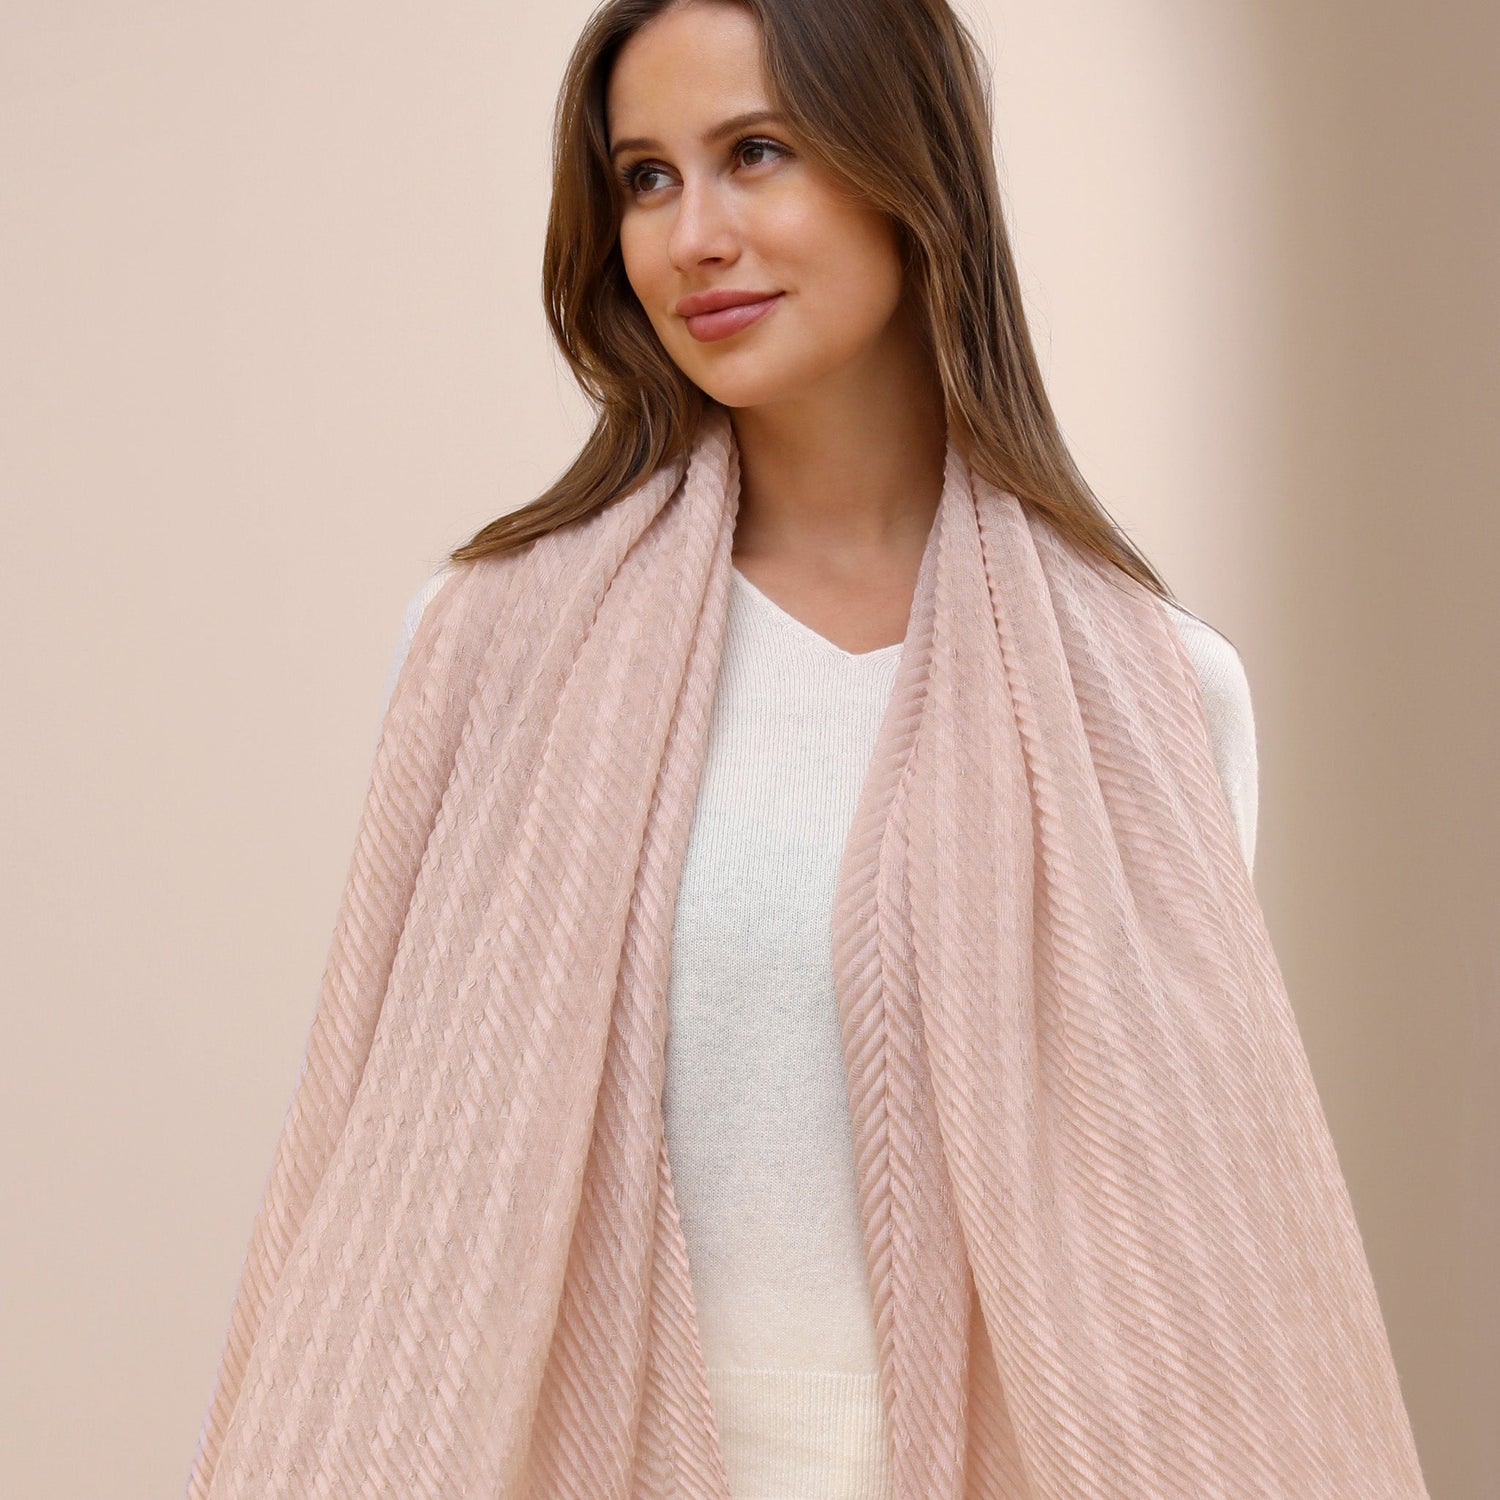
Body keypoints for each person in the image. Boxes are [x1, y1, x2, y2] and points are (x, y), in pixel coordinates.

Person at [193, 1, 1436, 1496]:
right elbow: (373, 1194)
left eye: (756, 153)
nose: (692, 238)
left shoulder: (1154, 695)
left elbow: (1190, 1254)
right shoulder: (491, 648)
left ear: (910, 172)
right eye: (647, 178)